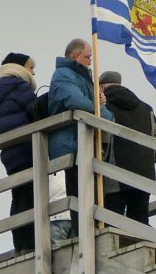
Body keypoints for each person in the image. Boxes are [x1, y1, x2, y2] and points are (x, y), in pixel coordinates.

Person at [44, 39, 112, 230]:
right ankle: (82, 232)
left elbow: (90, 103)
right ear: (76, 56)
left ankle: (92, 228)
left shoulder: (82, 77)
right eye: (88, 57)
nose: (91, 61)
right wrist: (104, 113)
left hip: (85, 141)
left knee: (91, 189)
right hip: (72, 142)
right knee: (78, 189)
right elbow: (76, 101)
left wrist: (100, 103)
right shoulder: (62, 75)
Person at [0, 53, 40, 253]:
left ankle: (20, 244)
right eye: (30, 67)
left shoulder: (0, 90)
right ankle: (30, 243)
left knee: (19, 196)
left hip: (10, 152)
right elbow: (35, 111)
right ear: (19, 67)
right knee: (30, 196)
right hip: (26, 148)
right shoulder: (19, 87)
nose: (33, 73)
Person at [97, 70, 156, 227]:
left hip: (114, 174)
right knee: (140, 223)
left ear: (101, 86)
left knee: (112, 223)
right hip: (144, 173)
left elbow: (102, 139)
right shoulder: (147, 108)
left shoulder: (102, 108)